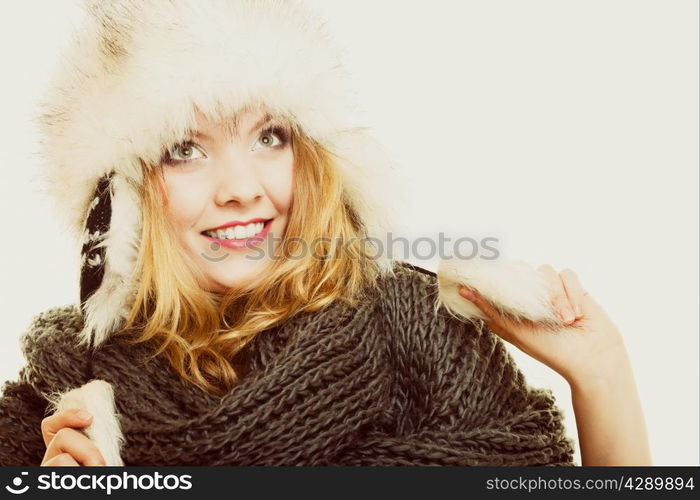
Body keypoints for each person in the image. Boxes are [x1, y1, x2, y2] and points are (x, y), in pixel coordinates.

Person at [0, 0, 650, 466]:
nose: (241, 188)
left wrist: (602, 374)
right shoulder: (62, 402)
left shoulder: (423, 336)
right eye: (183, 150)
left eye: (268, 137)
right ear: (122, 201)